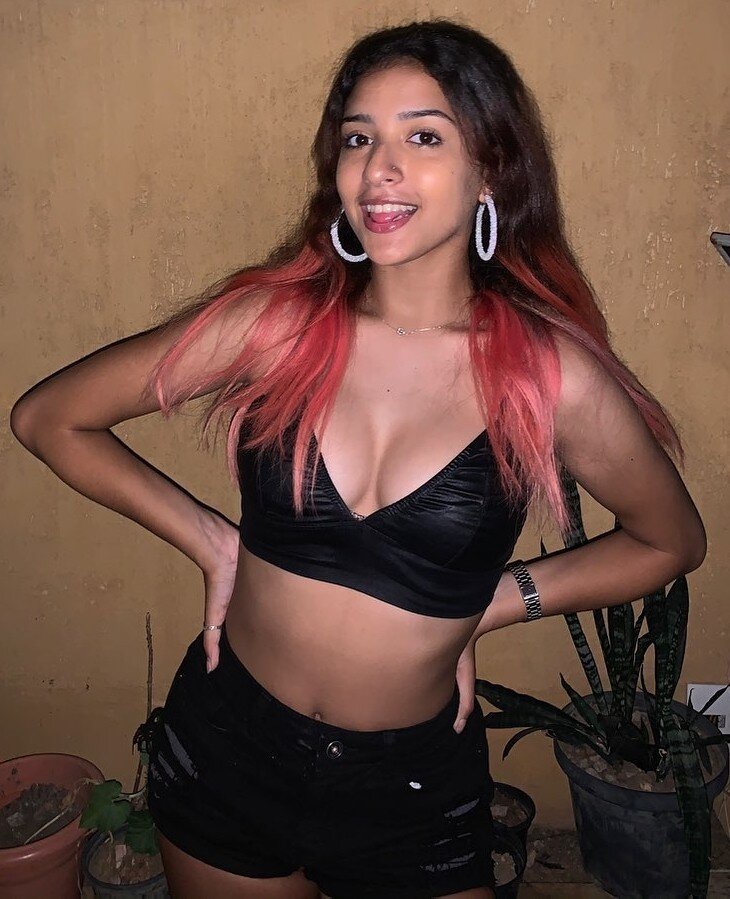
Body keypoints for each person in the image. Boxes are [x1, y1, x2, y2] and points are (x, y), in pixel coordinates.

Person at [10, 18, 706, 899]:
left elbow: (669, 540)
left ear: (491, 170)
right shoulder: (277, 327)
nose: (380, 167)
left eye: (424, 137)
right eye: (358, 138)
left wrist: (496, 602)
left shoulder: (546, 375)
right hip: (228, 748)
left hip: (410, 788)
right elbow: (50, 419)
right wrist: (211, 540)